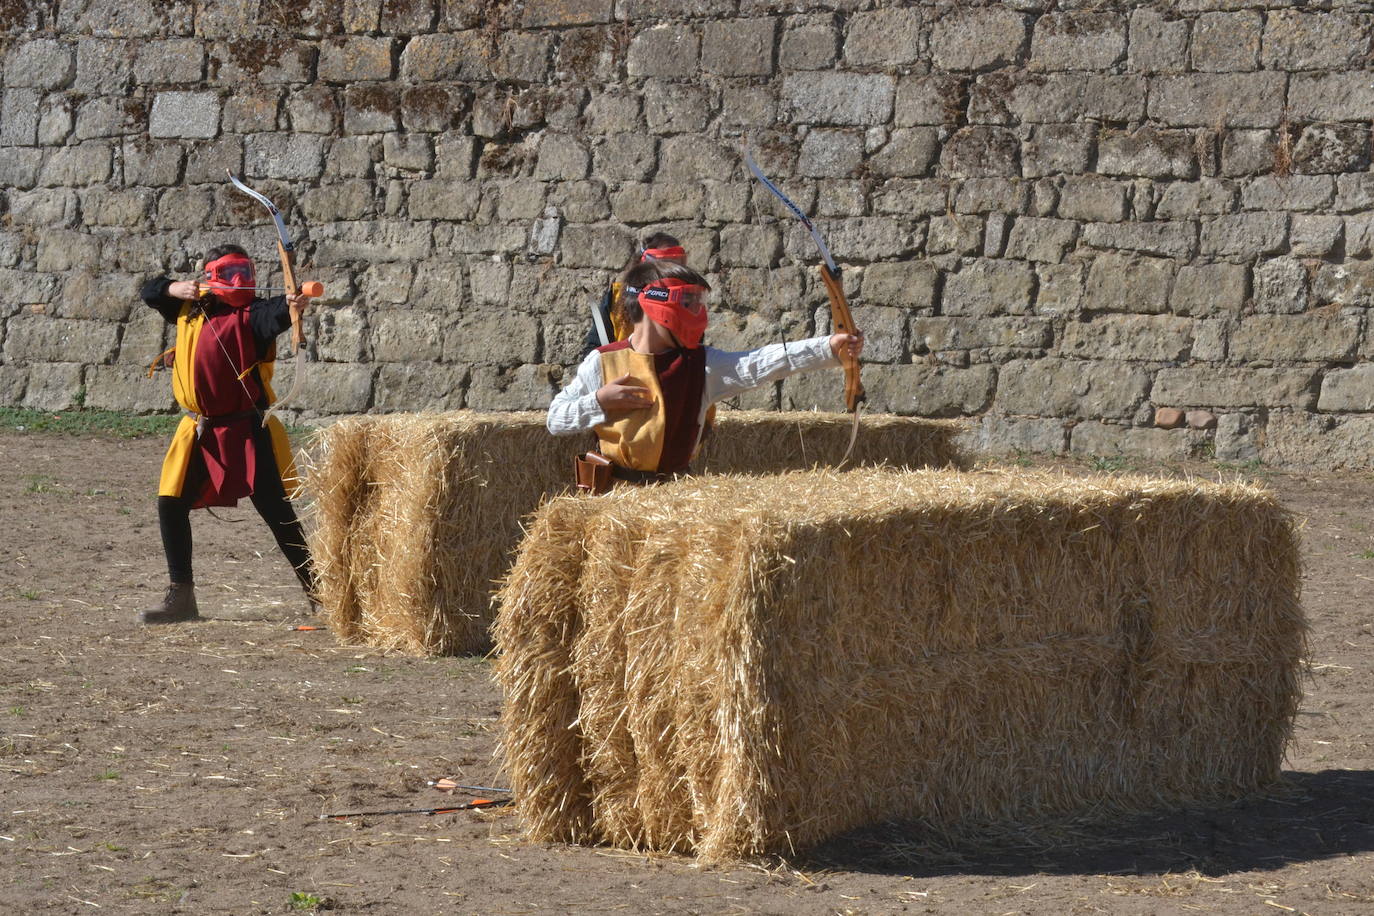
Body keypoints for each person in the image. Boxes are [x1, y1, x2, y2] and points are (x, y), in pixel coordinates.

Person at [549, 257, 865, 489]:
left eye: (698, 301)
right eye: (688, 301)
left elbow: (758, 363)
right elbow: (555, 419)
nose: (698, 312)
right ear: (654, 304)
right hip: (613, 503)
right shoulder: (602, 363)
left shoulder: (701, 366)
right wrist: (600, 403)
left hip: (674, 499)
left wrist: (829, 348)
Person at [139, 244, 317, 623]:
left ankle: (323, 591)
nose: (241, 280)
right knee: (171, 503)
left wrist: (293, 306)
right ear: (210, 275)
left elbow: (278, 315)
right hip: (198, 429)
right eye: (231, 272)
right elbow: (149, 291)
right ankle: (181, 596)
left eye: (245, 272)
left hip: (246, 428)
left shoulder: (255, 313)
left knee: (276, 510)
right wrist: (173, 288)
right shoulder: (190, 305)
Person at [580, 232, 688, 359]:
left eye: (675, 263)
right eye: (664, 263)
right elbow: (593, 349)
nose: (671, 272)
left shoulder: (687, 300)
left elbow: (693, 350)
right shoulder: (616, 297)